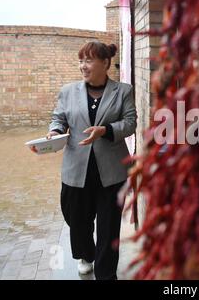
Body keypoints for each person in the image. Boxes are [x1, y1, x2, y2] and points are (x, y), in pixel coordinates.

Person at [32, 41, 136, 280]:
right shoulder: (68, 91)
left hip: (111, 171)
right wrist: (55, 132)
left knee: (109, 227)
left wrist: (106, 130)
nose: (83, 66)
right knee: (77, 221)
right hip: (76, 169)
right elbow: (58, 117)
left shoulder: (123, 91)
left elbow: (130, 123)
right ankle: (86, 254)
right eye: (81, 61)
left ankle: (106, 273)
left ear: (105, 63)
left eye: (88, 61)